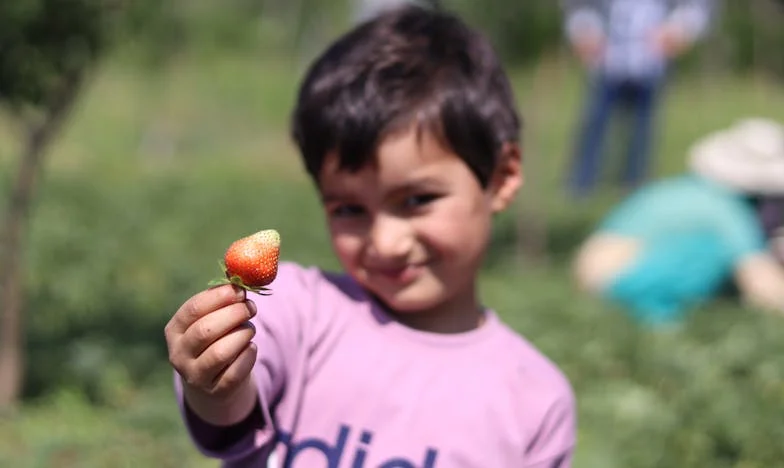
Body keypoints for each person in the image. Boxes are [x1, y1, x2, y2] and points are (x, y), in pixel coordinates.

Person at [165, 6, 576, 468]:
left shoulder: (535, 399)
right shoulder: (296, 311)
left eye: (417, 200)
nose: (386, 242)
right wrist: (215, 383)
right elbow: (230, 414)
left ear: (500, 177)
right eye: (349, 209)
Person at [573, 118, 784, 325]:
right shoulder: (728, 209)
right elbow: (757, 276)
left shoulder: (678, 188)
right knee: (710, 249)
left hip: (588, 270)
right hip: (622, 280)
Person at [562, 0, 715, 196]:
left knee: (642, 131)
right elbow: (579, 7)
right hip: (606, 60)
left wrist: (680, 29)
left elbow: (697, 6)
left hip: (650, 60)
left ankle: (634, 185)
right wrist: (583, 29)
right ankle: (581, 184)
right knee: (595, 124)